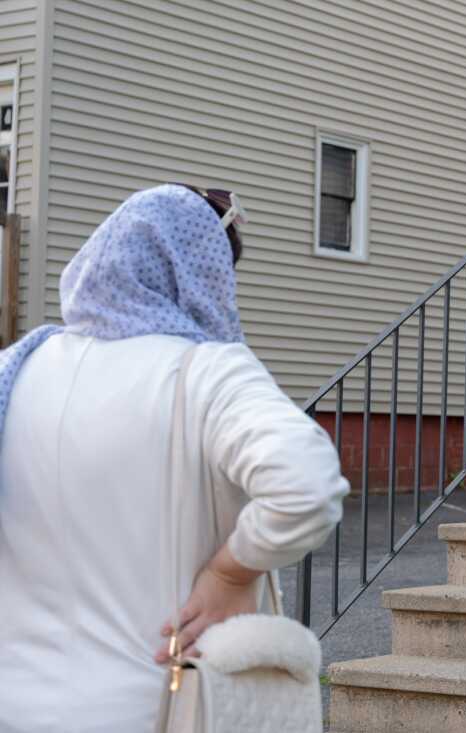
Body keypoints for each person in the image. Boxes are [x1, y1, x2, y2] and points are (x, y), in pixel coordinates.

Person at [0, 184, 349, 732]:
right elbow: (306, 486)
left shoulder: (18, 372)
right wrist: (231, 574)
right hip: (159, 706)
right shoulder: (207, 372)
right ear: (204, 273)